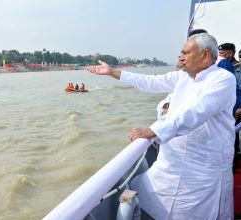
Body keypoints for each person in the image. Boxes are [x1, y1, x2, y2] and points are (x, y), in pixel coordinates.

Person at [85, 33, 235, 219]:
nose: (180, 57)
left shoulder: (222, 79)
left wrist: (153, 131)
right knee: (158, 197)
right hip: (174, 160)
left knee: (200, 210)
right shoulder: (184, 76)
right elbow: (151, 82)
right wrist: (112, 72)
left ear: (205, 55)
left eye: (186, 52)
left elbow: (197, 112)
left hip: (204, 163)